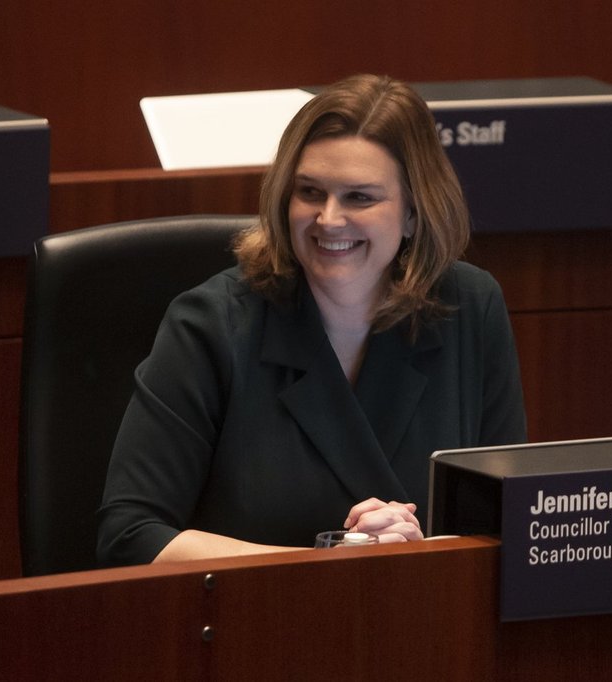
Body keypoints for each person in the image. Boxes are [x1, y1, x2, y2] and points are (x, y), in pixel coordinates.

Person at [96, 74, 526, 567]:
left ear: (413, 212)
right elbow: (129, 536)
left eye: (359, 197)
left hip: (422, 629)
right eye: (310, 192)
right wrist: (325, 564)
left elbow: (506, 525)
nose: (328, 219)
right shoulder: (211, 324)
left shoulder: (470, 307)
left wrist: (416, 555)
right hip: (249, 627)